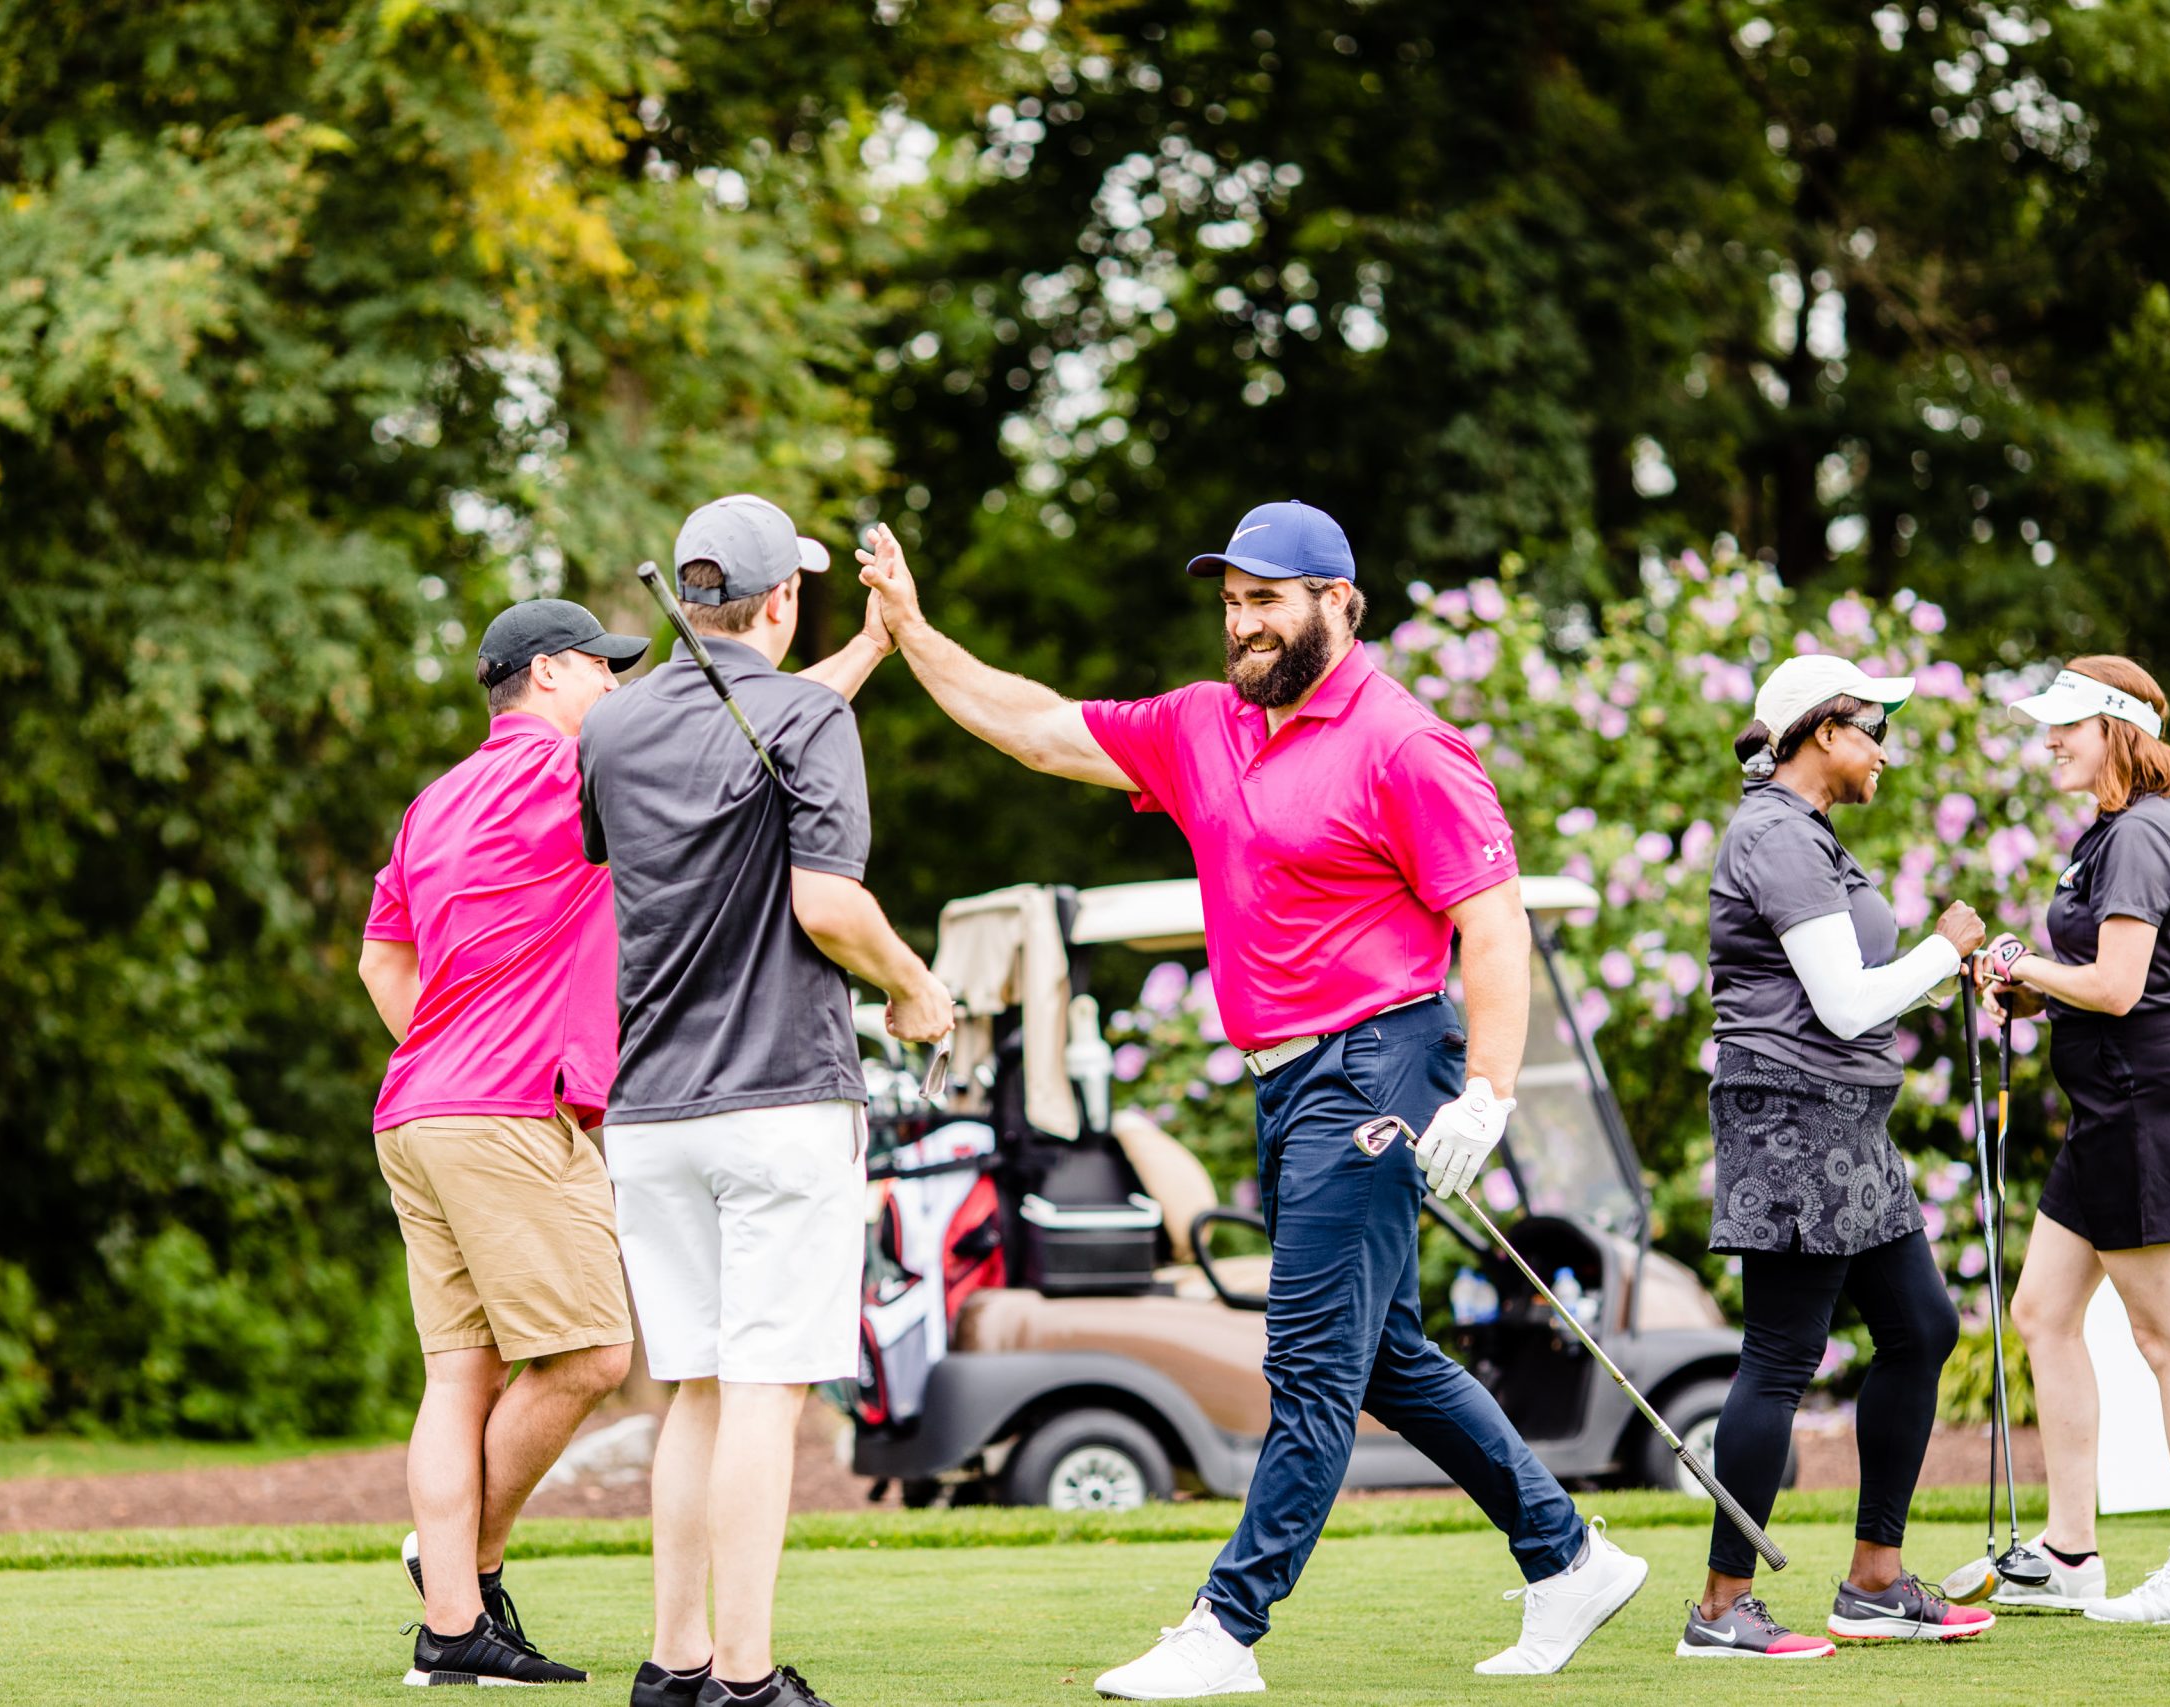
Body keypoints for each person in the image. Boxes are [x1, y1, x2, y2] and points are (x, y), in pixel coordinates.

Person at [858, 499, 1646, 1695]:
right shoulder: (1204, 727)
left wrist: (1483, 1093)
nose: (1243, 624)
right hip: (1287, 1083)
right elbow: (1035, 727)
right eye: (1229, 602)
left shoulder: (1405, 743)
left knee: (1312, 1364)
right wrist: (913, 632)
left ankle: (1226, 1629)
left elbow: (1492, 923)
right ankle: (1565, 1552)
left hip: (1378, 1066)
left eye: (1267, 599)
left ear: (1338, 602)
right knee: (1383, 1358)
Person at [579, 494, 954, 1707]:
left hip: (650, 1116)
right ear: (782, 599)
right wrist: (916, 989)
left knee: (692, 1383)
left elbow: (742, 743)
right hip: (780, 1103)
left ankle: (676, 1664)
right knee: (762, 1391)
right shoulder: (798, 717)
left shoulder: (614, 727)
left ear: (686, 599)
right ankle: (745, 1681)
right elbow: (827, 908)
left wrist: (873, 653)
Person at [358, 598, 649, 1686]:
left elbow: (379, 968)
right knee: (591, 1355)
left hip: (418, 1109)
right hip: (509, 1109)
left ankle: (450, 1629)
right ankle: (459, 1581)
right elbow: (722, 747)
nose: (614, 687)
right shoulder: (564, 774)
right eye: (600, 668)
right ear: (546, 674)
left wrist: (449, 1042)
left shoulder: (432, 801)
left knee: (459, 1376)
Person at [1679, 655, 1993, 1660]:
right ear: (1822, 731)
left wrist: (1947, 976)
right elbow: (1844, 1003)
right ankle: (1721, 1609)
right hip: (1792, 1119)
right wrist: (1941, 950)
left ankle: (1869, 1582)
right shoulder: (1775, 835)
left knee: (1919, 1328)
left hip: (1844, 1121)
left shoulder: (1805, 836)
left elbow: (1858, 983)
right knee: (1779, 1358)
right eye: (1873, 732)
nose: (1883, 755)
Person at [1980, 657, 2170, 1625]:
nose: (2049, 740)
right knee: (2042, 1312)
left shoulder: (2144, 832)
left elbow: (2113, 986)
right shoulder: (2106, 834)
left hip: (2145, 1107)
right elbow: (2087, 975)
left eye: (2066, 725)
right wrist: (2027, 985)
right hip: (2104, 1113)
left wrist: (2029, 965)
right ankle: (2070, 1554)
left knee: (2168, 1342)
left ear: (2117, 730)